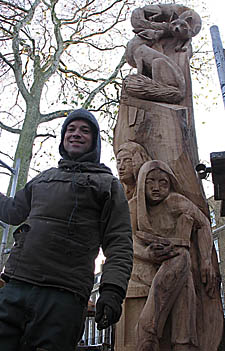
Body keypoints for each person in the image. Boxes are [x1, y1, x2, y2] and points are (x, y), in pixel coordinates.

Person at [0, 108, 133, 351]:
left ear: (94, 141)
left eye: (84, 130)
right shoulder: (43, 179)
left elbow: (119, 242)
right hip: (17, 285)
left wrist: (112, 290)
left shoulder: (107, 185)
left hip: (64, 295)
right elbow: (12, 211)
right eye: (70, 129)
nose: (76, 134)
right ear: (63, 138)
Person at [134, 160, 216, 351]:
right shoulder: (134, 207)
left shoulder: (176, 201)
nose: (156, 188)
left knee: (180, 257)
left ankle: (149, 333)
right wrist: (146, 253)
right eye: (150, 181)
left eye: (163, 183)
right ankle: (177, 341)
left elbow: (203, 223)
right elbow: (126, 239)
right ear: (142, 182)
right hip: (146, 267)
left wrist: (205, 261)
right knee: (181, 260)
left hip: (177, 258)